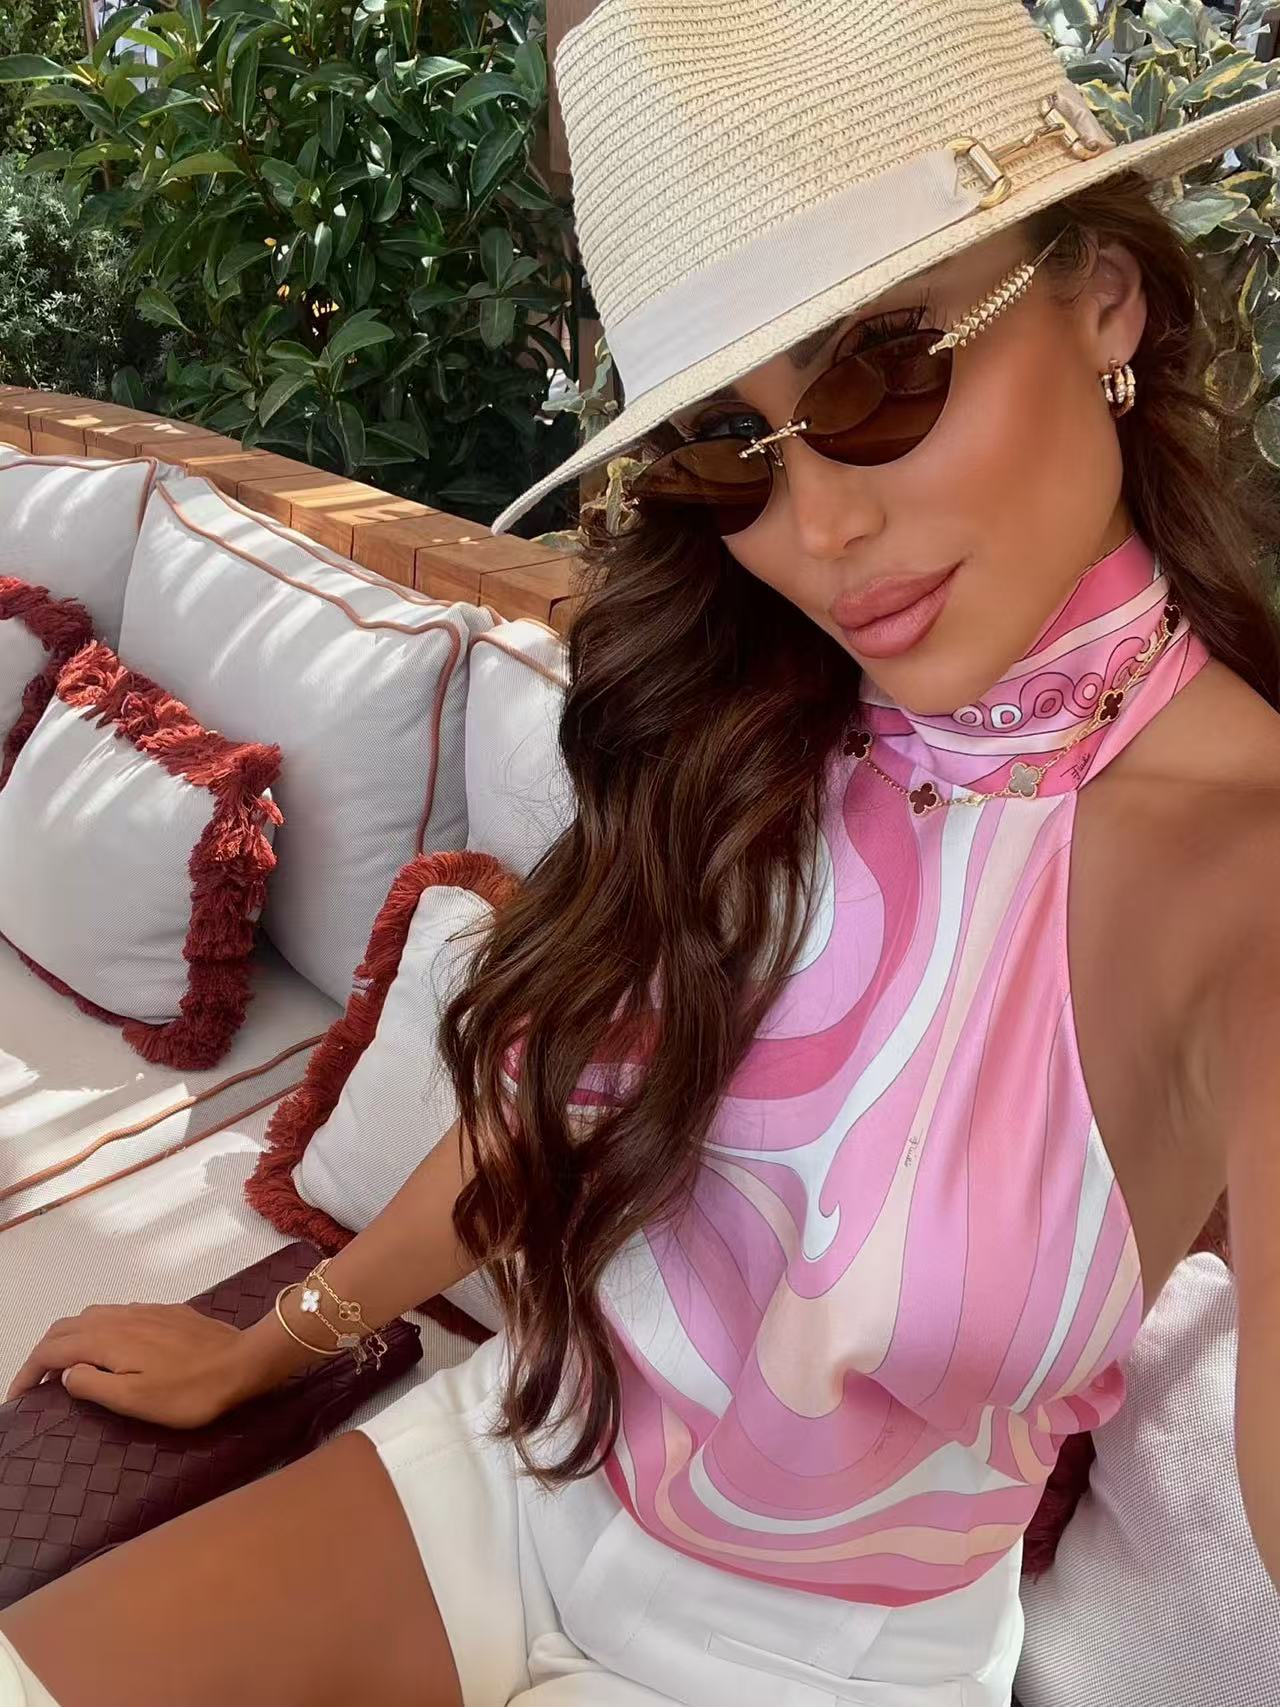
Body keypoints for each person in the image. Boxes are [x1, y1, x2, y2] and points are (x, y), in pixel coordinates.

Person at [4, 1, 1280, 1702]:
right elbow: (557, 1105)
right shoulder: (761, 725)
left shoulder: (1251, 873)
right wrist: (278, 1343)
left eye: (878, 376)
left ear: (1103, 296)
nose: (820, 526)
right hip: (523, 1462)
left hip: (830, 1660)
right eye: (728, 450)